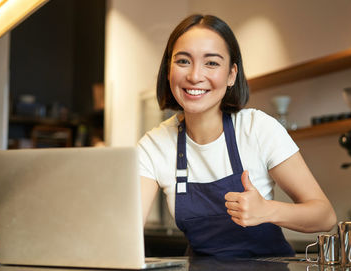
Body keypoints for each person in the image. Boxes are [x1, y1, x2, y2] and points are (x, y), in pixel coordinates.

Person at [137, 15, 336, 258]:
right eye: (183, 61)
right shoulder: (154, 145)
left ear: (231, 74)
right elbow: (127, 228)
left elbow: (324, 216)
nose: (194, 75)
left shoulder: (257, 128)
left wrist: (267, 210)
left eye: (211, 63)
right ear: (169, 70)